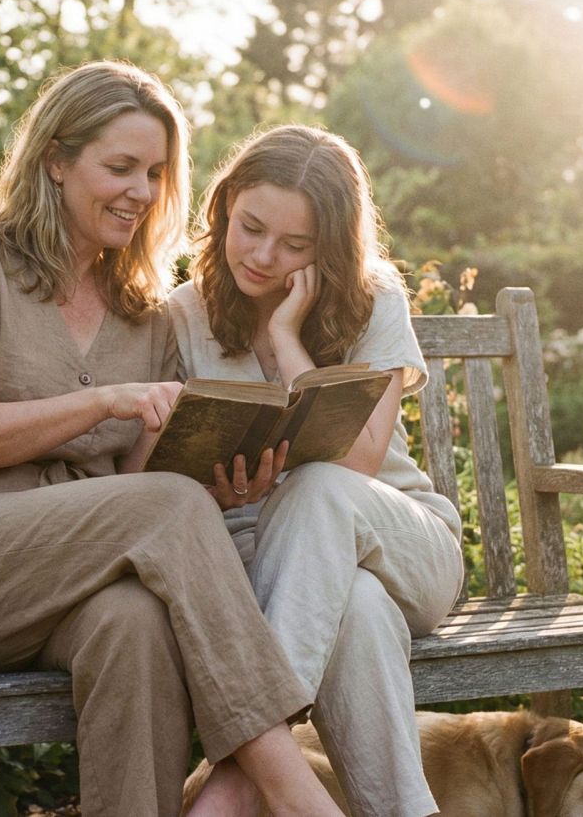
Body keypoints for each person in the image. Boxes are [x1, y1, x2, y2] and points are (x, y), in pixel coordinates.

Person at [0, 62, 341, 816]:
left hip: (73, 583)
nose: (142, 191)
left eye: (155, 172)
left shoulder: (142, 311)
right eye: (120, 167)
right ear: (56, 160)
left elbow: (139, 481)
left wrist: (211, 473)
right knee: (167, 511)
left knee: (138, 624)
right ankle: (294, 793)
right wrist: (100, 406)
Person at [169, 125, 466, 817]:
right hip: (271, 572)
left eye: (295, 246)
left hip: (406, 548)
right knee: (356, 610)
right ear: (224, 209)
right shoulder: (184, 313)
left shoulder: (374, 297)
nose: (264, 256)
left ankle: (247, 763)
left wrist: (285, 336)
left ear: (327, 250)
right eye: (250, 228)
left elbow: (358, 457)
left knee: (322, 484)